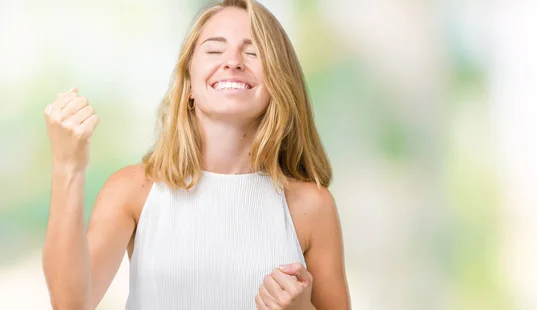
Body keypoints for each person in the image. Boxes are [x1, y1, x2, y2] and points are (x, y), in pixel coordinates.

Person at [42, 0, 350, 309]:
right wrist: (67, 166)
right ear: (189, 84)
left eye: (253, 52)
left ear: (278, 81)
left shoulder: (313, 207)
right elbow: (70, 305)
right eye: (215, 51)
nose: (232, 61)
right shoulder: (132, 191)